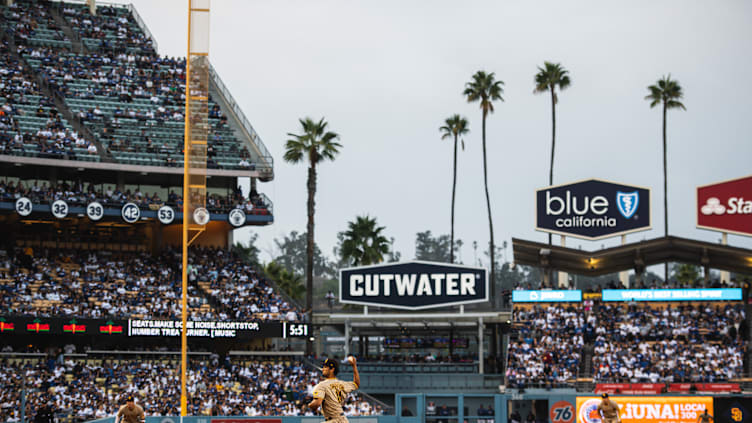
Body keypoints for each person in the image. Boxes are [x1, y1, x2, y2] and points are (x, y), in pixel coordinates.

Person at [307, 356, 360, 423]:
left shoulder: (322, 385)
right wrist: (354, 366)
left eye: (325, 367)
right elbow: (356, 384)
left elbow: (316, 404)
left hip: (333, 420)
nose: (323, 369)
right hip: (343, 420)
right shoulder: (342, 384)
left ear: (332, 369)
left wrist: (309, 405)